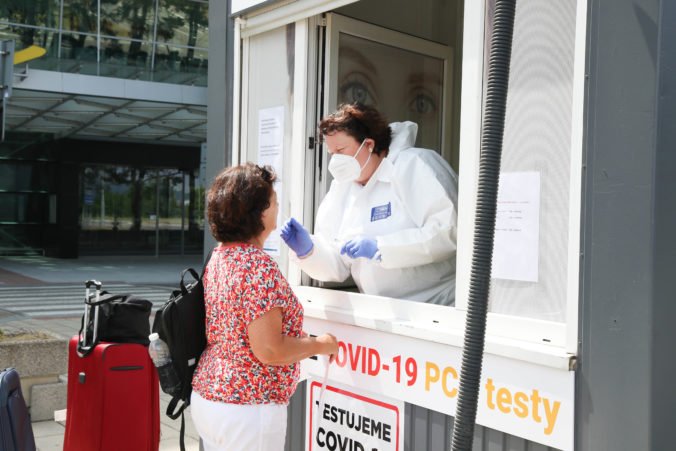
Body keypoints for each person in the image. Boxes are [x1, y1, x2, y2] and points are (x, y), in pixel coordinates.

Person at [191, 163, 338, 451]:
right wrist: (319, 345)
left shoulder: (220, 257)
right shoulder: (258, 266)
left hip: (210, 397)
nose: (277, 208)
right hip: (247, 409)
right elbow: (270, 350)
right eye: (274, 202)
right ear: (258, 212)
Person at [281, 103, 458, 306]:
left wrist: (382, 247)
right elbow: (338, 265)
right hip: (379, 311)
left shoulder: (413, 165)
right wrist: (309, 252)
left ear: (369, 144)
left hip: (437, 306)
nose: (335, 160)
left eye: (341, 149)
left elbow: (448, 233)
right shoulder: (342, 188)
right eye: (331, 153)